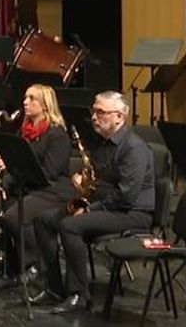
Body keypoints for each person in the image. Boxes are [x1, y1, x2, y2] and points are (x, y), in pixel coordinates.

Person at [34, 91, 154, 314]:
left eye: (101, 112)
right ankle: (53, 288)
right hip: (106, 206)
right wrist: (81, 177)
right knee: (43, 220)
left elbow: (126, 196)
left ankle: (79, 295)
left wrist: (90, 209)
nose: (94, 117)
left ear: (119, 117)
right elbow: (96, 175)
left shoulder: (133, 148)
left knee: (70, 226)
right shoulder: (102, 143)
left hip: (132, 213)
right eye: (94, 112)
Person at [0, 83, 71, 282]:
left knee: (13, 216)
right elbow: (16, 169)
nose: (25, 102)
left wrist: (12, 166)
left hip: (52, 190)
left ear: (45, 105)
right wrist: (2, 187)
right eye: (26, 97)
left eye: (32, 98)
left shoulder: (57, 135)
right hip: (27, 187)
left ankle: (37, 263)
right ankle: (8, 263)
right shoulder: (24, 132)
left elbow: (50, 172)